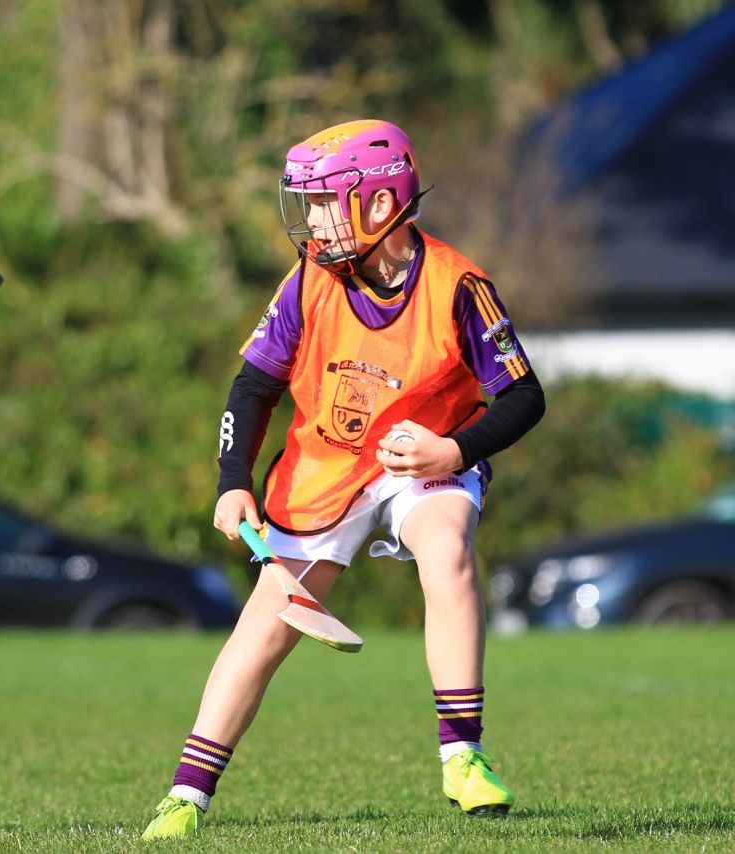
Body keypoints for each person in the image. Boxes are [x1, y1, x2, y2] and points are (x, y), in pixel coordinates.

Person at [141, 119, 545, 840]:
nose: (312, 222)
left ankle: (463, 757)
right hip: (323, 467)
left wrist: (452, 452)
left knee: (447, 550)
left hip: (420, 462)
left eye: (326, 203)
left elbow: (523, 395)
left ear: (382, 205)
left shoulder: (459, 285)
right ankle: (185, 796)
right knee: (263, 630)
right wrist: (233, 480)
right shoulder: (308, 281)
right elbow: (251, 389)